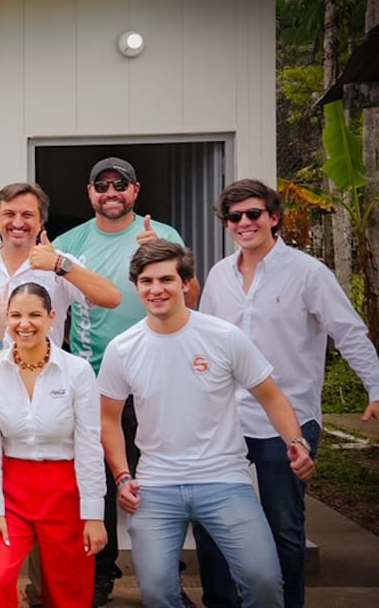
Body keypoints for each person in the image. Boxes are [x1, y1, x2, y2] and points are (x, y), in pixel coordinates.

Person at [193, 179, 379, 608]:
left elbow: (348, 333)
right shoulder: (220, 275)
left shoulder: (308, 273)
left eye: (253, 213)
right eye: (234, 216)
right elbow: (205, 343)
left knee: (283, 526)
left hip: (288, 421)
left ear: (273, 218)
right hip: (228, 421)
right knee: (210, 519)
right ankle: (221, 602)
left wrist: (374, 386)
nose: (244, 223)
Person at [99, 240, 315, 608]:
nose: (156, 289)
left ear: (186, 283)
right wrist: (121, 475)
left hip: (224, 481)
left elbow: (271, 395)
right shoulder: (122, 348)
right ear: (136, 286)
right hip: (156, 486)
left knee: (264, 581)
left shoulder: (224, 337)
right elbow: (108, 418)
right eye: (147, 281)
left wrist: (295, 440)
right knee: (156, 592)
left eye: (166, 279)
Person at [51, 157, 196, 605]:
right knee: (99, 482)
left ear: (136, 190)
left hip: (159, 378)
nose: (111, 192)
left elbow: (192, 297)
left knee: (156, 478)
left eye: (120, 184)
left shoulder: (164, 235)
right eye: (102, 184)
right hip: (96, 381)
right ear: (89, 192)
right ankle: (99, 575)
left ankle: (166, 577)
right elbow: (48, 308)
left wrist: (160, 251)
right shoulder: (69, 243)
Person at [0, 281, 106, 608]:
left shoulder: (77, 371)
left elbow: (89, 443)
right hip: (12, 491)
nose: (24, 323)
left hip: (65, 491)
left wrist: (94, 514)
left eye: (34, 314)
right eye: (16, 315)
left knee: (68, 589)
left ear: (51, 318)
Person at [0, 182, 120, 352]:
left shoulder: (59, 263)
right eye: (9, 214)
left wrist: (59, 264)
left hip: (44, 375)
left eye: (27, 215)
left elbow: (111, 297)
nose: (17, 222)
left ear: (41, 221)